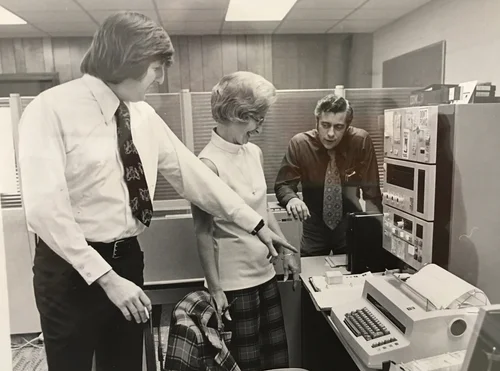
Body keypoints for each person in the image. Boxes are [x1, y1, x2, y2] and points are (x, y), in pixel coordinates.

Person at [17, 12, 295, 371]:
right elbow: (44, 210)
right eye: (156, 68)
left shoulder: (143, 115)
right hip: (71, 269)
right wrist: (105, 277)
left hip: (127, 258)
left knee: (124, 364)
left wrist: (257, 224)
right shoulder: (50, 110)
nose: (161, 79)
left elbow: (194, 177)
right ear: (126, 60)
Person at [190, 71, 299, 371]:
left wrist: (286, 251)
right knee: (245, 365)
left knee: (276, 363)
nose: (260, 128)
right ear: (236, 114)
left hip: (265, 273)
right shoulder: (206, 164)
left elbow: (260, 209)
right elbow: (202, 232)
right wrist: (215, 289)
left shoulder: (254, 152)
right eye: (257, 119)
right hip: (234, 286)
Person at [274, 94, 382, 257]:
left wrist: (376, 235)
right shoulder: (300, 144)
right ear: (316, 122)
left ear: (347, 126)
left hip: (350, 224)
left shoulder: (360, 141)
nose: (331, 133)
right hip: (313, 225)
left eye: (338, 127)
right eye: (325, 125)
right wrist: (292, 199)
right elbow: (283, 184)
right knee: (310, 272)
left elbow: (372, 194)